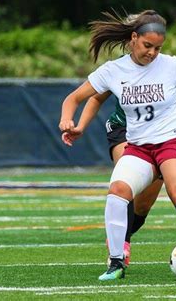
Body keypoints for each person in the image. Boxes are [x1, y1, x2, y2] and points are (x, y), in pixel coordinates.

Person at [59, 9, 176, 281]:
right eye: (148, 46)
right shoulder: (113, 70)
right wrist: (68, 121)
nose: (152, 53)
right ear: (134, 38)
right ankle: (116, 263)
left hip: (173, 139)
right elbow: (74, 98)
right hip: (139, 147)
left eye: (158, 48)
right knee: (118, 191)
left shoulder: (173, 66)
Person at [62, 91, 164, 267]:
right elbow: (93, 96)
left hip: (161, 135)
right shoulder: (118, 68)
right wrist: (79, 126)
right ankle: (120, 249)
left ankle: (118, 236)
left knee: (143, 206)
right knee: (125, 184)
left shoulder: (169, 66)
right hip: (123, 128)